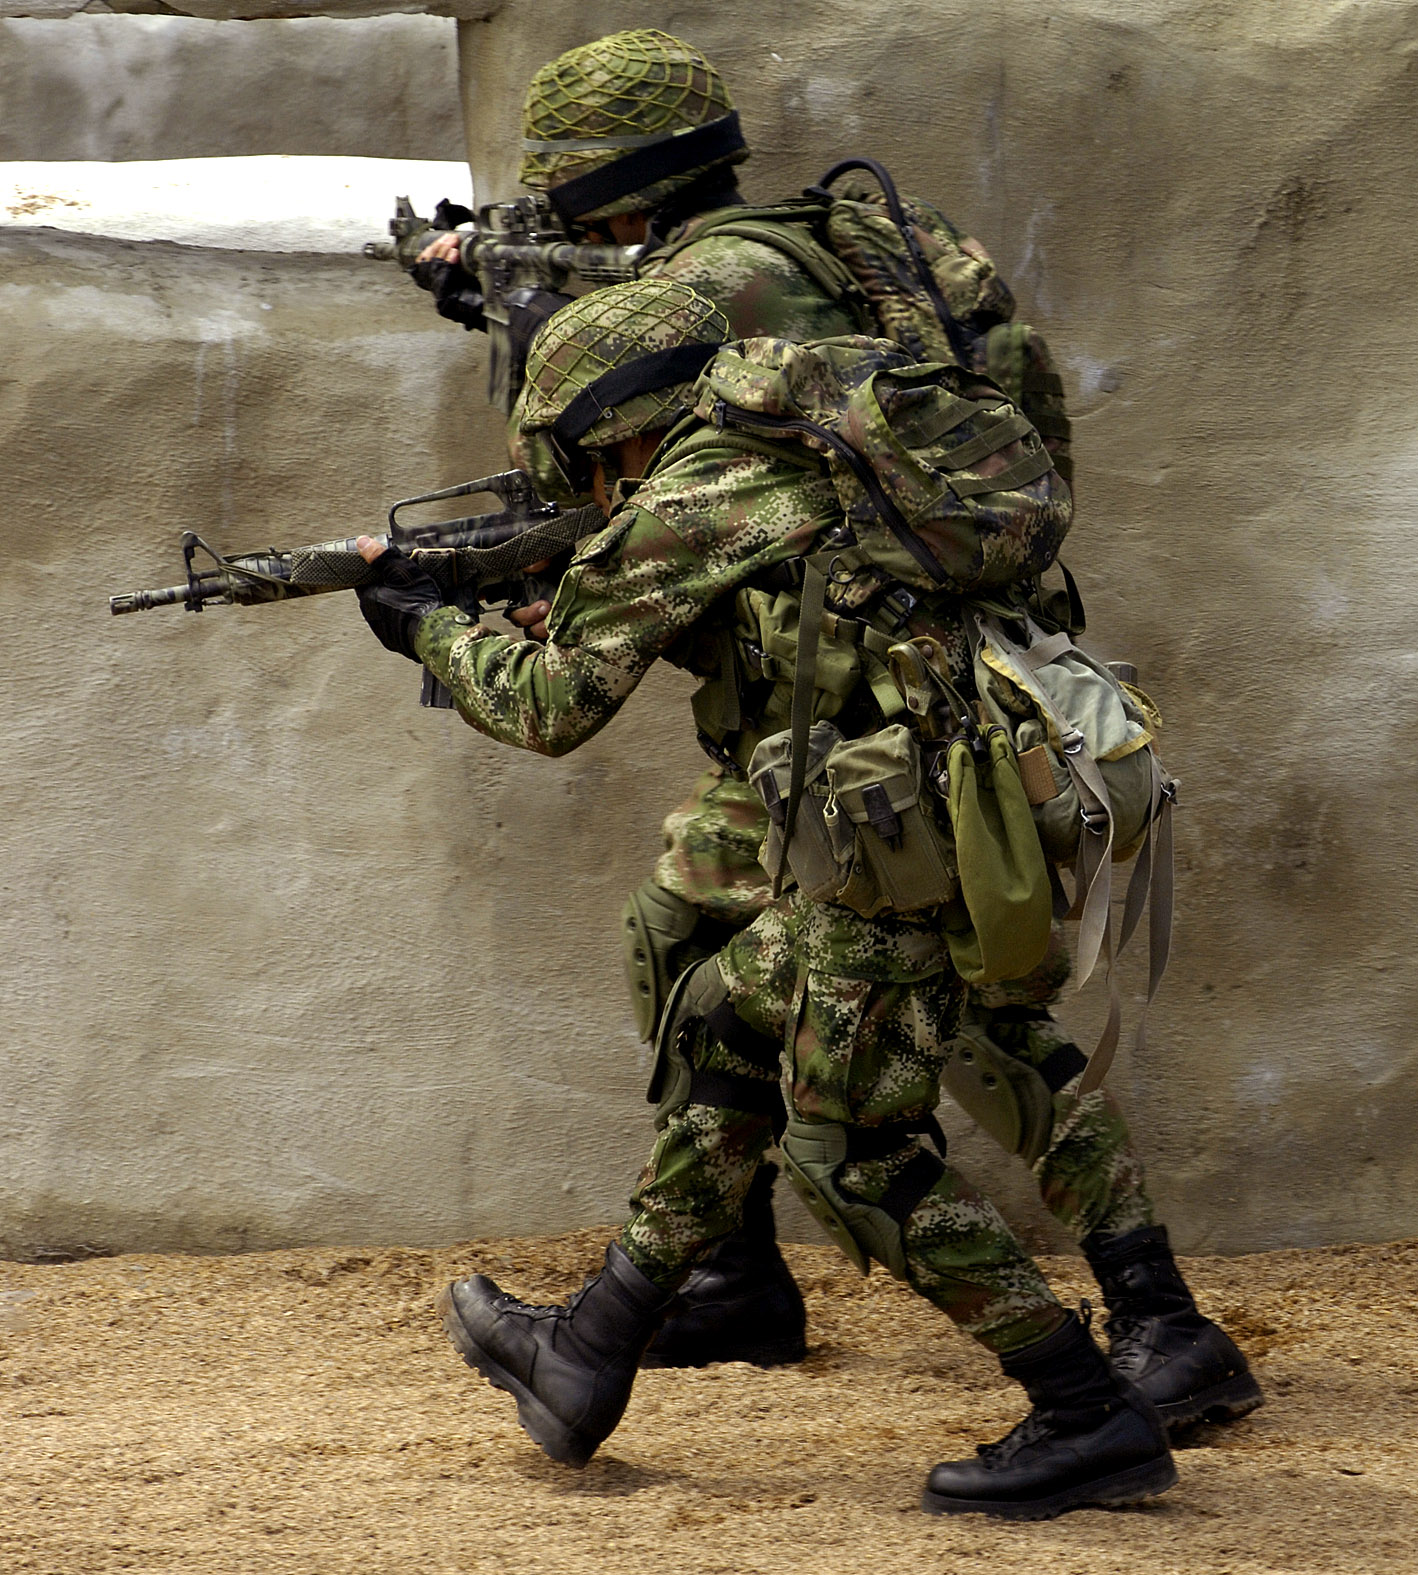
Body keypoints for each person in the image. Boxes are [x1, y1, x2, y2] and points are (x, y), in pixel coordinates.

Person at [403, 28, 1255, 1436]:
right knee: (696, 932)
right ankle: (721, 1277)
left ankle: (1140, 1327)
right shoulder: (823, 243)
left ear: (611, 192)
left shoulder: (705, 286)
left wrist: (465, 590)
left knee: (890, 1028)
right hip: (923, 665)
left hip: (881, 710)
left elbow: (670, 492)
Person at [352, 277, 1203, 1517]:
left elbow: (548, 710)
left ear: (621, 431)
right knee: (725, 1019)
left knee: (853, 1150)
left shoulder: (700, 486)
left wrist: (425, 627)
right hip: (947, 812)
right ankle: (588, 1352)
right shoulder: (800, 438)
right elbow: (805, 624)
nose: (596, 495)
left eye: (591, 468)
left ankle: (1087, 1413)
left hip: (903, 844)